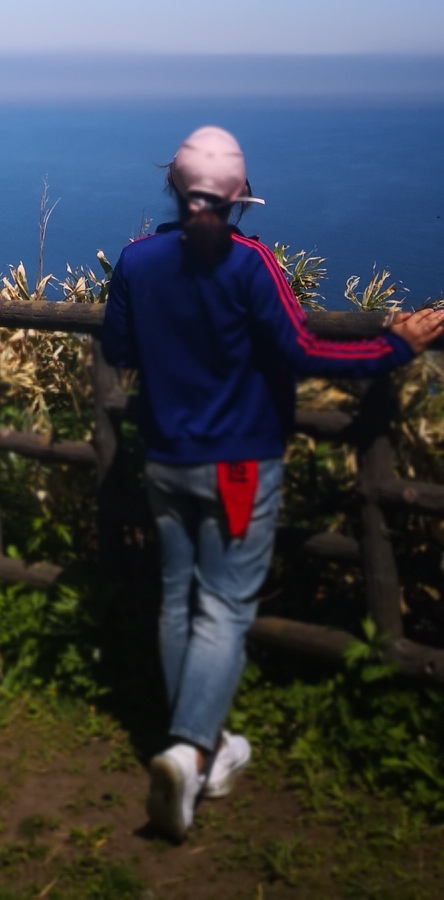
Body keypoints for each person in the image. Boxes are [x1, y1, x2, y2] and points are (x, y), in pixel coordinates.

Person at [100, 124, 444, 844]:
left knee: (175, 600)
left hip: (164, 457)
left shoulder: (136, 260)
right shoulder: (251, 265)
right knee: (224, 607)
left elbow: (121, 348)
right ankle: (192, 753)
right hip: (236, 466)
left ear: (173, 186)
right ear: (238, 200)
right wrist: (395, 345)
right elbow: (303, 348)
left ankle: (199, 745)